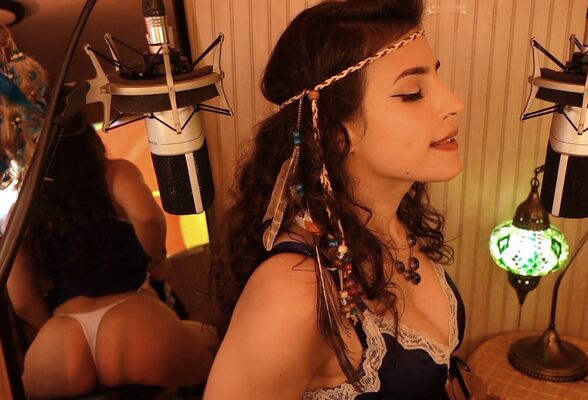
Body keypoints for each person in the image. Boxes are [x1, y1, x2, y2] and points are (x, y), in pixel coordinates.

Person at [206, 0, 468, 398]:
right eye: (412, 93)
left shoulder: (396, 222)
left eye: (437, 76)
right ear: (334, 132)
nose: (453, 103)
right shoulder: (295, 292)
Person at [6, 115, 217, 398]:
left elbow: (20, 298)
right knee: (218, 344)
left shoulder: (23, 206)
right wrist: (156, 258)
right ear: (88, 140)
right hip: (133, 321)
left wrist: (53, 325)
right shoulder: (112, 173)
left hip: (58, 344)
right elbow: (146, 216)